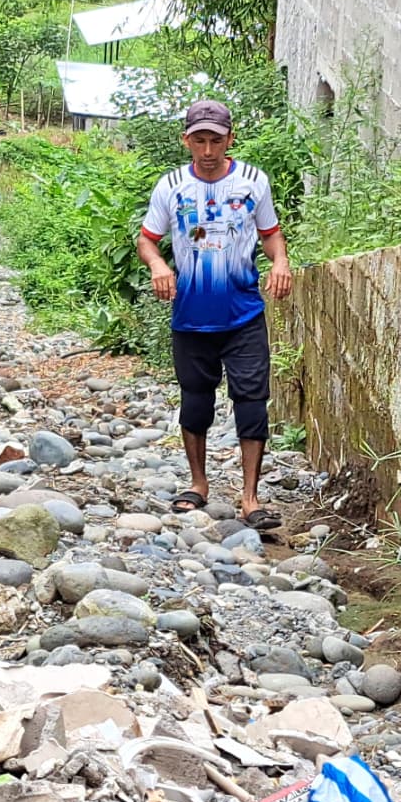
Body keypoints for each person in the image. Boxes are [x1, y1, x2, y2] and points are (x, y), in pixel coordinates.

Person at [135, 96, 291, 521]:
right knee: (195, 402)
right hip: (191, 316)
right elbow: (147, 238)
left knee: (252, 401)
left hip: (243, 314)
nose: (207, 151)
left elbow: (271, 234)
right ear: (185, 140)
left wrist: (280, 262)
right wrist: (158, 265)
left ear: (229, 140)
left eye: (216, 141)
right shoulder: (171, 187)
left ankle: (250, 497)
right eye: (199, 140)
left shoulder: (253, 182)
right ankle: (198, 483)